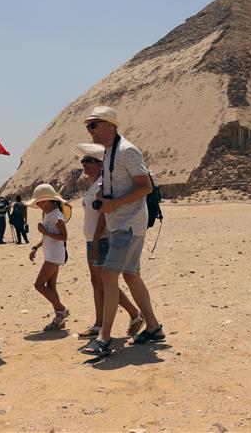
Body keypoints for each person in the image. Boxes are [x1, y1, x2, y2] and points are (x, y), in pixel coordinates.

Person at [81, 106, 164, 357]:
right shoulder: (109, 153)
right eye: (88, 126)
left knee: (107, 275)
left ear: (110, 125)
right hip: (120, 223)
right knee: (131, 275)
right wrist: (104, 195)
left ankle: (104, 338)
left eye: (94, 125)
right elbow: (118, 184)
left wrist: (113, 203)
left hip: (128, 224)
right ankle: (153, 327)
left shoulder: (127, 151)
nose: (90, 131)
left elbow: (145, 187)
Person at [75, 143, 143, 339]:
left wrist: (96, 241)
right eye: (83, 161)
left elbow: (104, 215)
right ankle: (101, 323)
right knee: (96, 282)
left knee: (106, 282)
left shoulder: (103, 185)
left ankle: (131, 314)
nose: (84, 165)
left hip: (102, 239)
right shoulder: (93, 185)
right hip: (91, 239)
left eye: (88, 161)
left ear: (99, 164)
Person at [26, 183, 71, 331]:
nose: (38, 204)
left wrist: (44, 231)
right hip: (50, 254)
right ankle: (59, 318)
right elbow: (47, 237)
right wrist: (35, 247)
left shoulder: (57, 215)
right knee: (51, 287)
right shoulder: (47, 214)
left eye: (40, 201)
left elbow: (64, 236)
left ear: (50, 200)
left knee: (39, 285)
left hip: (55, 255)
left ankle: (62, 310)